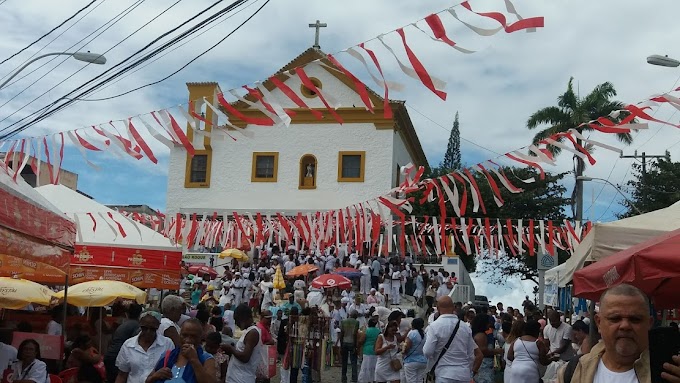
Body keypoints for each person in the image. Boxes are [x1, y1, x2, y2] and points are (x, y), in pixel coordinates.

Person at [567, 284, 680, 383]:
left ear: (649, 324)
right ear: (599, 323)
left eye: (635, 319)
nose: (625, 326)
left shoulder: (669, 371)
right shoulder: (574, 371)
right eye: (615, 318)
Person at [423, 296, 483, 383]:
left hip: (444, 374)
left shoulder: (434, 327)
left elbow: (427, 352)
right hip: (463, 374)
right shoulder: (465, 328)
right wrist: (468, 370)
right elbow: (471, 355)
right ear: (454, 307)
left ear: (438, 308)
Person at [147, 318, 216, 383]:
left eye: (193, 336)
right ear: (179, 335)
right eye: (184, 335)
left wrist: (194, 360)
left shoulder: (206, 358)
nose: (188, 340)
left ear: (200, 337)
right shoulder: (168, 356)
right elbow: (148, 380)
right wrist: (155, 376)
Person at [115, 311, 174, 383]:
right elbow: (122, 375)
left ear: (158, 326)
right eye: (144, 328)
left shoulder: (167, 344)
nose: (148, 332)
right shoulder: (128, 345)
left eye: (152, 329)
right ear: (140, 325)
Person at [105, 302, 144, 382]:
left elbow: (111, 340)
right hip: (117, 357)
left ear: (127, 314)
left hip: (110, 355)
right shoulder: (136, 326)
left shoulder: (123, 325)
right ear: (140, 314)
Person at [223, 304, 263, 383]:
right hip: (237, 377)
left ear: (242, 318)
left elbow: (245, 357)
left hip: (242, 378)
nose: (236, 323)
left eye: (236, 320)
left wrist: (230, 349)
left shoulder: (253, 333)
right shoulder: (248, 331)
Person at [472, 314, 503, 383]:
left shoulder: (477, 334)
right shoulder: (481, 336)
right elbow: (483, 351)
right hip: (484, 365)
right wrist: (496, 351)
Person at [403, 317, 427, 383]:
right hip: (423, 361)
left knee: (411, 380)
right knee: (420, 380)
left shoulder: (412, 333)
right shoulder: (425, 334)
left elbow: (407, 346)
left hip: (411, 361)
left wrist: (403, 352)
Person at [357, 317, 380, 383]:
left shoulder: (367, 331)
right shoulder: (378, 331)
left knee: (366, 367)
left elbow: (361, 341)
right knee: (374, 367)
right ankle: (374, 379)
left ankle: (365, 380)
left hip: (367, 350)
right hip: (375, 350)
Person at [340, 310, 360, 383]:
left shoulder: (343, 321)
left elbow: (341, 334)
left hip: (344, 342)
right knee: (353, 362)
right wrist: (355, 346)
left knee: (344, 362)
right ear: (356, 316)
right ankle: (354, 378)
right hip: (352, 342)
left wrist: (341, 346)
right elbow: (355, 334)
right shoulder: (356, 322)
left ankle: (343, 378)